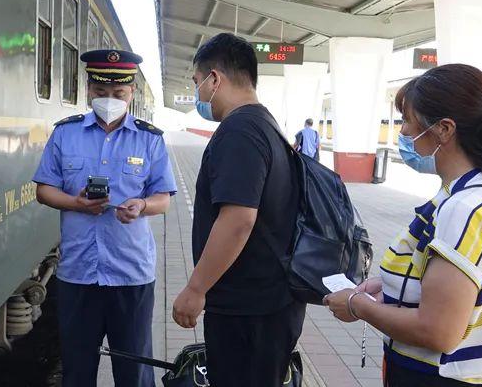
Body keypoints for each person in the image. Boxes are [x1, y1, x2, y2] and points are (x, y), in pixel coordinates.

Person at [324, 64, 482, 387]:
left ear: (444, 129)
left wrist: (357, 306)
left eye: (409, 120)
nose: (405, 133)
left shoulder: (463, 209)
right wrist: (392, 286)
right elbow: (468, 284)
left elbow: (437, 331)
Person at [33, 49, 177, 387]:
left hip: (130, 273)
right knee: (77, 368)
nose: (109, 100)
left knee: (135, 369)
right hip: (78, 273)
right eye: (100, 92)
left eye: (118, 94)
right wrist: (75, 203)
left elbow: (163, 199)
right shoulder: (65, 134)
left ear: (131, 94)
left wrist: (142, 206)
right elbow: (44, 189)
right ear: (88, 89)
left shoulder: (149, 139)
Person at [171, 33, 304, 387]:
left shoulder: (239, 131)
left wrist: (196, 289)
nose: (198, 93)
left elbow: (238, 220)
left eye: (198, 83)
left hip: (248, 311)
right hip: (266, 305)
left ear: (215, 79)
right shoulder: (267, 125)